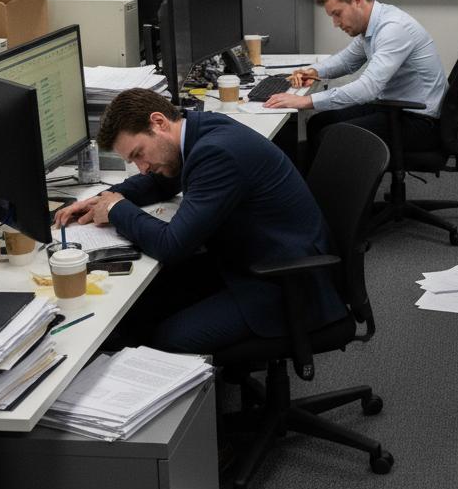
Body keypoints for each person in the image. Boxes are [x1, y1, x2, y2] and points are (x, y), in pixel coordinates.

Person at [55, 89, 345, 353]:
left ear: (158, 123)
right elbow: (161, 182)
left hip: (284, 283)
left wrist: (117, 209)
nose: (141, 168)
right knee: (143, 310)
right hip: (254, 256)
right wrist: (102, 199)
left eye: (139, 154)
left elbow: (171, 245)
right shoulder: (195, 130)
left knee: (166, 338)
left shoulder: (216, 153)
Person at [262, 0, 448, 167]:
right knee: (318, 122)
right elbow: (346, 61)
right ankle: (311, 184)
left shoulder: (393, 29)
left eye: (337, 14)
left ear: (357, 1)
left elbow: (367, 88)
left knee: (332, 136)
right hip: (396, 108)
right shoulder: (373, 25)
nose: (335, 23)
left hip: (420, 121)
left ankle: (333, 186)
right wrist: (314, 72)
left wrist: (306, 100)